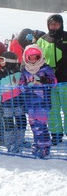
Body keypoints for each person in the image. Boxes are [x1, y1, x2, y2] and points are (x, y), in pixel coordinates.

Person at [20, 45, 57, 158]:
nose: (33, 59)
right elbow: (21, 84)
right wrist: (26, 85)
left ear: (39, 56)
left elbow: (54, 82)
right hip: (30, 102)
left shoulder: (45, 68)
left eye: (35, 57)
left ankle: (44, 147)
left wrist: (43, 81)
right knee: (33, 125)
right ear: (26, 57)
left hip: (42, 102)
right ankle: (37, 144)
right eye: (30, 57)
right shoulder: (25, 69)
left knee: (41, 125)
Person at [37, 14, 67, 145]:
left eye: (56, 24)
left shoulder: (66, 37)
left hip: (65, 80)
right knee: (52, 109)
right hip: (49, 82)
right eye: (51, 24)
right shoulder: (42, 40)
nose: (54, 26)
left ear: (61, 24)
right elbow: (37, 59)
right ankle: (56, 134)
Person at [0, 51, 28, 153]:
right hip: (6, 104)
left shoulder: (19, 74)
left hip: (19, 104)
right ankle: (10, 143)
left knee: (21, 122)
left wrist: (25, 102)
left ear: (9, 62)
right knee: (8, 123)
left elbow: (24, 87)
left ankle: (19, 141)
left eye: (2, 60)